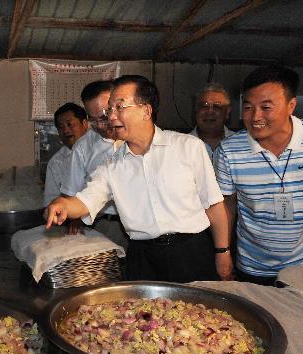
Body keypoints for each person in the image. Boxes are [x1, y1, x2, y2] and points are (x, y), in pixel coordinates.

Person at [46, 75, 233, 283]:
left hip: (191, 252)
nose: (111, 117)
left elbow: (214, 206)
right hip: (143, 258)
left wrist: (223, 251)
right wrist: (63, 204)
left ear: (146, 110)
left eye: (119, 107)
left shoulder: (188, 147)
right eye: (110, 110)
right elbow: (85, 200)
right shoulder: (111, 165)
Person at [214, 65, 303, 285]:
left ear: (291, 105)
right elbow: (227, 204)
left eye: (266, 107)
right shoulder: (229, 150)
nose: (255, 117)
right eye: (249, 107)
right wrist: (222, 251)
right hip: (253, 266)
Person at [60, 80, 127, 245]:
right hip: (104, 225)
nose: (101, 126)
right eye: (93, 120)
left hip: (144, 225)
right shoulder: (83, 147)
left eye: (104, 117)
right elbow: (70, 192)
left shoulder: (136, 138)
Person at [43, 103, 88, 206]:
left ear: (84, 123)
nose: (66, 130)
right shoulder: (56, 162)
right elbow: (51, 201)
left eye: (70, 124)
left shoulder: (99, 150)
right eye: (60, 127)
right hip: (70, 218)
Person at [190, 83, 235, 160]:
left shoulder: (239, 144)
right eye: (204, 106)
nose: (210, 111)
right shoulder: (182, 145)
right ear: (196, 110)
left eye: (217, 106)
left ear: (227, 112)